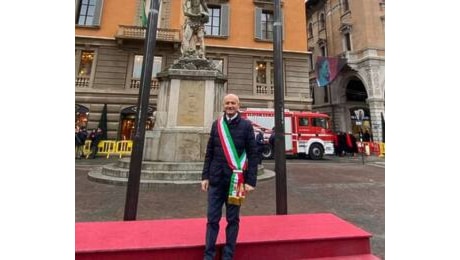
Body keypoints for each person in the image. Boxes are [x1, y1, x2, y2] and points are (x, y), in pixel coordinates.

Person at [201, 93, 258, 260]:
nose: (230, 105)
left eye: (233, 103)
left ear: (238, 105)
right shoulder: (216, 125)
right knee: (212, 219)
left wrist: (250, 181)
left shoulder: (247, 126)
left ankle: (228, 255)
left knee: (233, 220)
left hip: (237, 182)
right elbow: (209, 152)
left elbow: (253, 154)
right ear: (223, 105)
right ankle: (209, 255)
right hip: (216, 180)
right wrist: (205, 176)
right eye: (227, 103)